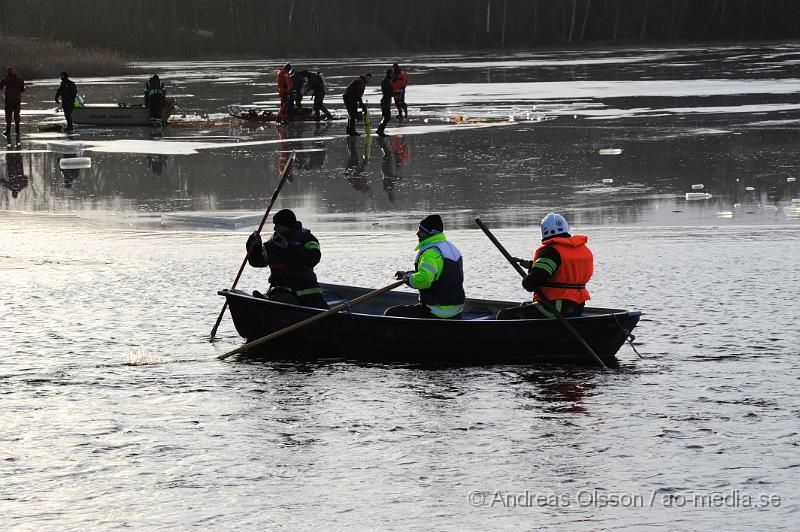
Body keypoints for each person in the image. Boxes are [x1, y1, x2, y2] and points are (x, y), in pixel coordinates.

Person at [496, 213, 593, 320]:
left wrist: (527, 280)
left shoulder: (551, 251)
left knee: (504, 315)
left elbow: (534, 281)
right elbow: (565, 270)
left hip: (556, 307)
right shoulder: (581, 249)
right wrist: (532, 265)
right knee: (524, 306)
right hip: (577, 306)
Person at [384, 215, 465, 319]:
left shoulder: (430, 253)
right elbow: (439, 275)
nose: (417, 233)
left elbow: (424, 280)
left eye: (421, 230)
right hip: (456, 311)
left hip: (436, 311)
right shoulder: (450, 248)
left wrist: (407, 279)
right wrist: (407, 274)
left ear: (431, 233)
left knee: (390, 313)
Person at [245, 208, 328, 309]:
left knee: (324, 314)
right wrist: (253, 246)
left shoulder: (307, 238)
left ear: (286, 226)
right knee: (282, 300)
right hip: (281, 292)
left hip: (308, 292)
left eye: (277, 225)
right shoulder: (272, 243)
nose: (274, 229)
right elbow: (258, 262)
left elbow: (313, 258)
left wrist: (288, 248)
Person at [1, 67, 24, 139]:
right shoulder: (19, 79)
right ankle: (17, 131)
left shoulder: (6, 79)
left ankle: (8, 131)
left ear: (7, 72)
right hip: (17, 100)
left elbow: (0, 86)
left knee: (8, 116)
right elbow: (22, 89)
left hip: (9, 101)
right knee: (17, 116)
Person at [376, 69, 393, 137]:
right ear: (389, 74)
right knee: (387, 117)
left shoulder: (387, 81)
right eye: (392, 74)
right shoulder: (386, 81)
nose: (393, 75)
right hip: (385, 100)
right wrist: (394, 94)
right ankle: (380, 131)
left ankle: (380, 130)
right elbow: (387, 93)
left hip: (386, 100)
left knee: (386, 116)